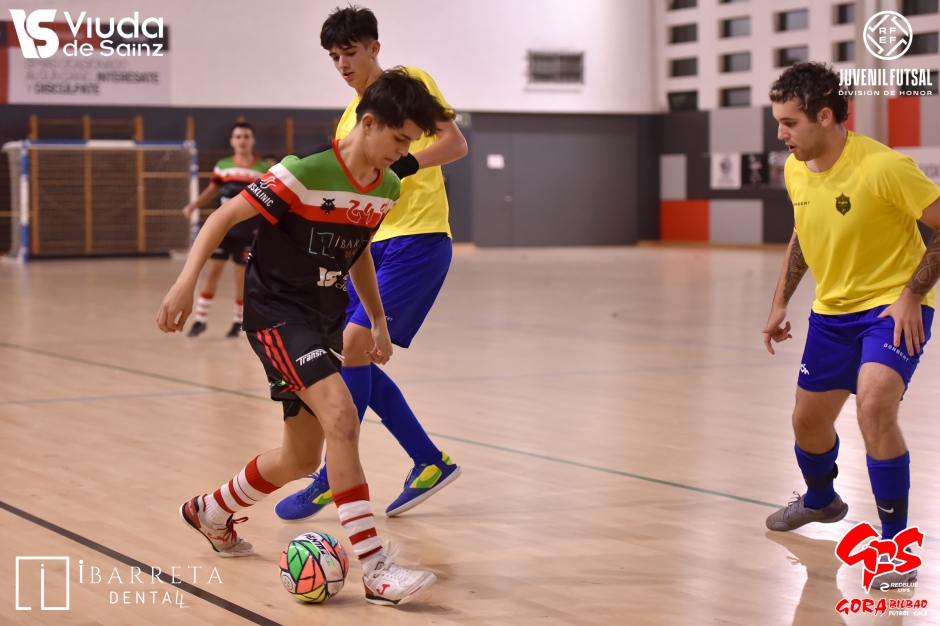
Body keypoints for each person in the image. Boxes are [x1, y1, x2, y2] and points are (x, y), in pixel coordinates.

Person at [156, 70, 452, 606]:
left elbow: (357, 252)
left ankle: (211, 510)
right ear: (369, 123)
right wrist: (185, 283)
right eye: (400, 139)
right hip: (276, 313)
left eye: (411, 142)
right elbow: (224, 215)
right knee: (342, 415)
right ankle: (376, 569)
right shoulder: (304, 170)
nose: (405, 152)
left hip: (323, 318)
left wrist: (378, 320)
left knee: (299, 459)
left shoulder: (386, 185)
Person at [276, 6, 468, 521]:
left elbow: (455, 143)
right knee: (351, 352)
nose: (342, 64)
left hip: (418, 239)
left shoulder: (409, 84)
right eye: (334, 56)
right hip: (367, 246)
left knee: (353, 345)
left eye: (350, 52)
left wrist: (405, 163)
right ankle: (429, 462)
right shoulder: (351, 118)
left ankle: (331, 477)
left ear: (374, 48)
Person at [762, 63, 940, 588]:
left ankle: (896, 551)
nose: (781, 134)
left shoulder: (884, 167)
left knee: (875, 406)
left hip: (891, 308)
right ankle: (821, 500)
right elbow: (803, 233)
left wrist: (912, 295)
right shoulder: (797, 168)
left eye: (789, 123)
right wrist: (780, 302)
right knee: (807, 423)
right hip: (832, 313)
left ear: (824, 116)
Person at [182, 122, 269, 339]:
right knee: (212, 272)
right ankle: (200, 319)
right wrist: (194, 205)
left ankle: (238, 322)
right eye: (238, 136)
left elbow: (269, 201)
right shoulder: (223, 165)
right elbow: (212, 189)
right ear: (232, 141)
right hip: (223, 229)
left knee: (241, 278)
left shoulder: (263, 169)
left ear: (253, 140)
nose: (242, 140)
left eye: (246, 136)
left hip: (248, 231)